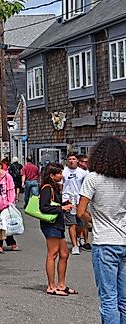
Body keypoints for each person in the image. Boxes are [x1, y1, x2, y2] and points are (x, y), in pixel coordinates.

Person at [77, 136, 126, 324]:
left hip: (105, 242)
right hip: (124, 240)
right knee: (124, 298)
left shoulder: (92, 178)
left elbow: (80, 211)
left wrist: (94, 220)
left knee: (108, 297)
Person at [39, 163, 75, 297]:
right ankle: (51, 286)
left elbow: (54, 204)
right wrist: (61, 208)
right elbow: (44, 207)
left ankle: (61, 284)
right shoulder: (46, 188)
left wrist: (64, 205)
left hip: (58, 224)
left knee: (64, 254)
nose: (61, 175)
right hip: (51, 225)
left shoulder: (55, 187)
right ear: (52, 175)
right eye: (59, 173)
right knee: (52, 254)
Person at [63, 152, 89, 255]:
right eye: (69, 159)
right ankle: (74, 246)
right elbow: (60, 186)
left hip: (79, 201)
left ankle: (78, 237)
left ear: (77, 160)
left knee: (80, 224)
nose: (71, 161)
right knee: (72, 224)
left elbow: (87, 186)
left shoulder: (82, 173)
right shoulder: (64, 172)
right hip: (68, 200)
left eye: (73, 159)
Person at [0, 159, 18, 253]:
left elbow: (11, 190)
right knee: (0, 226)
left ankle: (11, 243)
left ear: (0, 166)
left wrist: (10, 202)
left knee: (7, 225)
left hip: (6, 204)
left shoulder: (7, 177)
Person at [76, 154, 92, 251]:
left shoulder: (89, 173)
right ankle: (79, 237)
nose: (85, 164)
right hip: (76, 198)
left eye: (86, 162)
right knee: (78, 221)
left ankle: (86, 241)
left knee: (85, 221)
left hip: (87, 198)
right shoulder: (76, 172)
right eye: (83, 162)